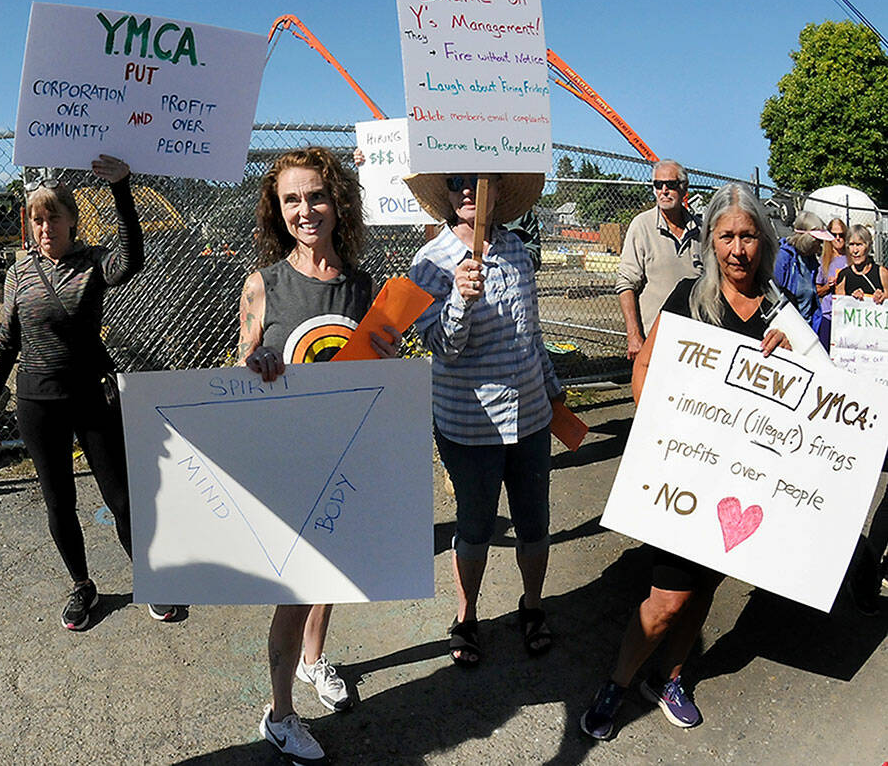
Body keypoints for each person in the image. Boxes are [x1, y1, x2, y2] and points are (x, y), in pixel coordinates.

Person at [580, 184, 791, 740]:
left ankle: (669, 677)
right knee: (667, 598)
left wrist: (792, 357)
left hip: (742, 486)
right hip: (687, 478)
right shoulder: (689, 299)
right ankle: (618, 682)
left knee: (705, 589)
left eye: (749, 236)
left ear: (763, 241)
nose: (738, 249)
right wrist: (661, 440)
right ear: (711, 240)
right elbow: (644, 369)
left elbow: (805, 399)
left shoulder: (780, 313)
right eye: (727, 236)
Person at [240, 147, 398, 765]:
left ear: (338, 202)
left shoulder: (364, 287)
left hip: (347, 455)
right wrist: (256, 365)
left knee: (328, 573)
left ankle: (314, 660)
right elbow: (244, 366)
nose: (305, 210)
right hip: (290, 457)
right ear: (277, 211)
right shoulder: (264, 284)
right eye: (291, 200)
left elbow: (379, 368)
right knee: (294, 589)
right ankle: (279, 715)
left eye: (316, 196)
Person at [0, 155, 176, 629]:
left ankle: (149, 576)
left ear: (73, 220)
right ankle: (82, 586)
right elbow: (8, 340)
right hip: (37, 402)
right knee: (58, 500)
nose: (45, 228)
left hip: (91, 397)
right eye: (37, 219)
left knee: (121, 497)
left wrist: (122, 187)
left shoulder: (92, 263)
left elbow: (132, 258)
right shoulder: (18, 274)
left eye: (54, 218)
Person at [406, 170, 562, 667]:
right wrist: (460, 300)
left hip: (533, 416)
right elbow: (442, 348)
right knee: (474, 527)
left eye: (480, 181)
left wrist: (555, 394)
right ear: (447, 196)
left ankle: (532, 606)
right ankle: (466, 616)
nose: (469, 191)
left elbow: (531, 335)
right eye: (456, 183)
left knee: (535, 522)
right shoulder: (430, 263)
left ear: (497, 192)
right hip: (470, 425)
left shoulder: (517, 251)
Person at [616, 160, 704, 360]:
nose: (664, 190)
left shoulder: (702, 231)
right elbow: (626, 284)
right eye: (658, 185)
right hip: (655, 343)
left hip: (695, 346)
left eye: (670, 185)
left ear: (684, 188)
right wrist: (634, 336)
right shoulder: (642, 226)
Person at [772, 210, 830, 324]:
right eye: (818, 241)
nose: (820, 244)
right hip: (789, 328)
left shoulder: (811, 261)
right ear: (809, 240)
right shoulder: (783, 258)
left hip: (809, 326)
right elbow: (774, 297)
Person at [813, 217, 848, 348]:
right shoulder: (824, 261)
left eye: (841, 235)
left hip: (846, 315)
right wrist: (828, 286)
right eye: (834, 235)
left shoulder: (852, 258)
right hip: (828, 314)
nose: (838, 238)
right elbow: (817, 291)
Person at [835, 223, 888, 304]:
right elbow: (839, 308)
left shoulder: (882, 273)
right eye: (852, 245)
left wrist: (882, 297)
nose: (855, 250)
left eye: (859, 244)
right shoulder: (844, 276)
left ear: (868, 246)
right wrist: (852, 300)